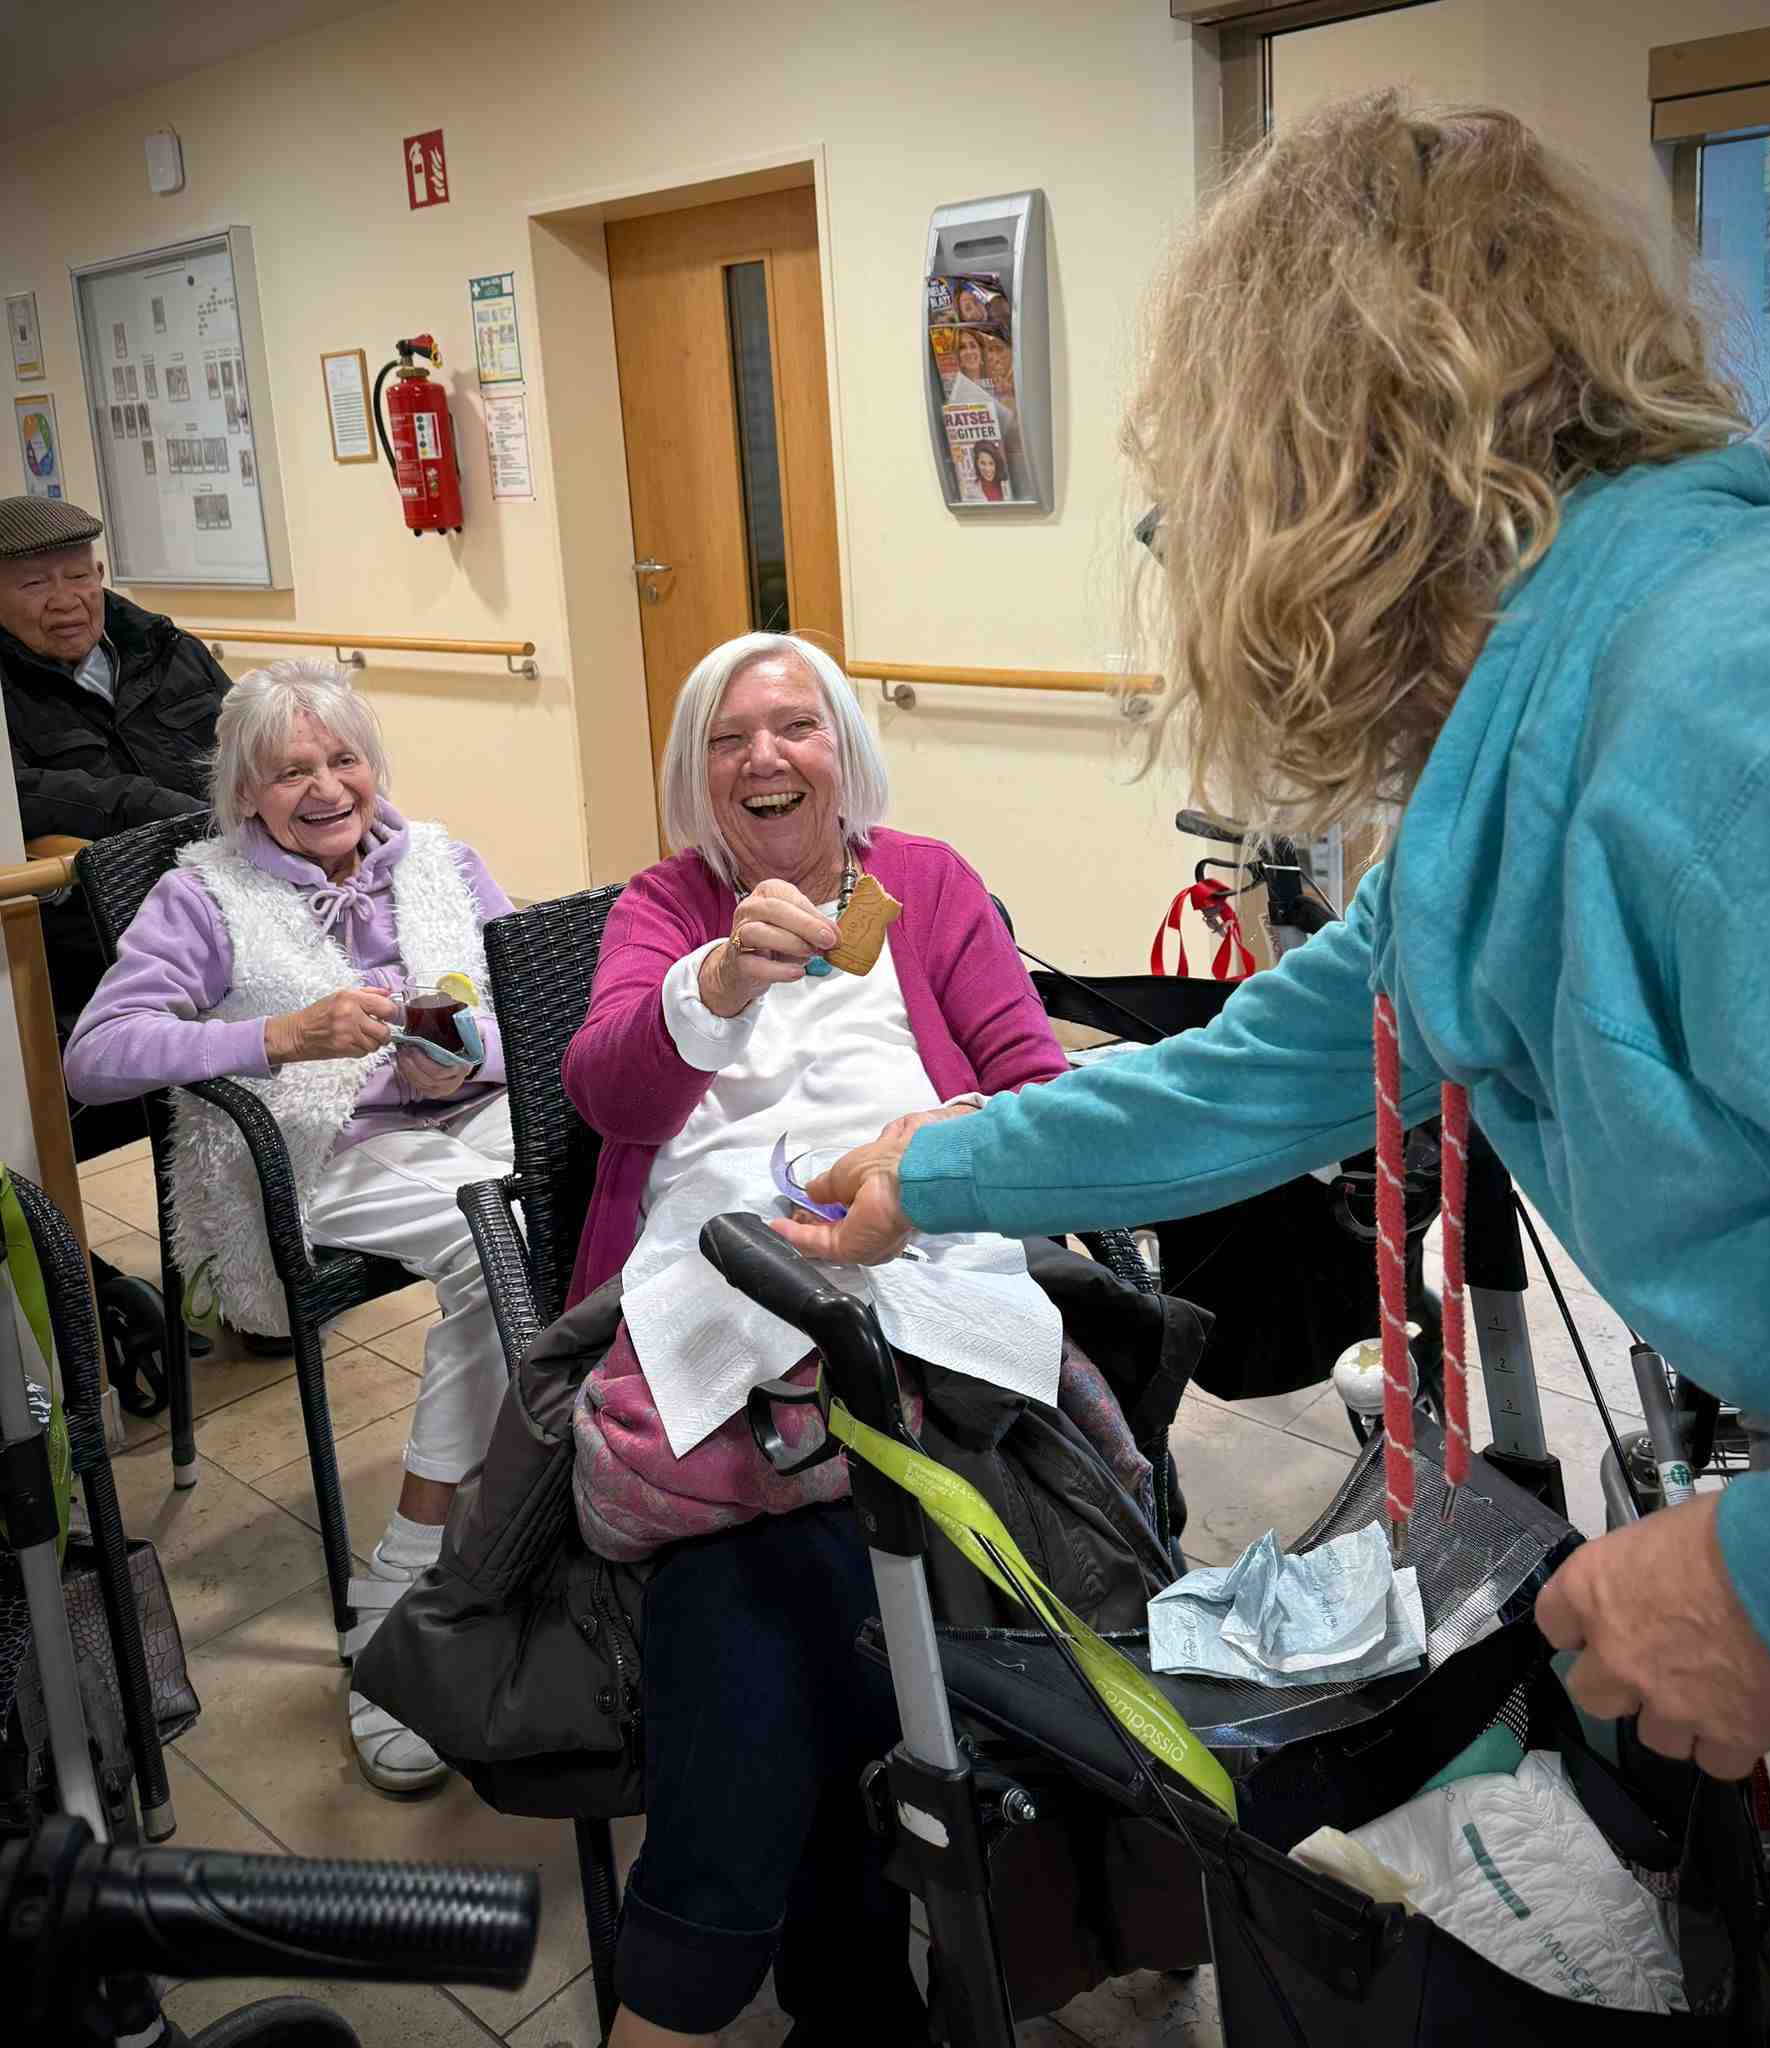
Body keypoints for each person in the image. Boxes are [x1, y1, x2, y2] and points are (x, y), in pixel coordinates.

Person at [782, 94, 1770, 2033]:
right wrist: (938, 1165)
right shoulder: (1536, 746)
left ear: (1310, 467)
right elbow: (1251, 1075)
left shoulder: (1733, 711)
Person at [562, 631, 1155, 2047]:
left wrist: (929, 1145)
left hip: (924, 1242)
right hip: (723, 1268)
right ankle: (853, 1970)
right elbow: (608, 1096)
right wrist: (708, 987)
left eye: (796, 726)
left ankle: (755, 1980)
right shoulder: (666, 905)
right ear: (699, 778)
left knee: (780, 1554)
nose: (765, 757)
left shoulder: (929, 886)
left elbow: (1028, 1081)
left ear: (845, 752)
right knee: (817, 1530)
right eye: (728, 737)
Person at [64, 659, 516, 1800]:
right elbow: (98, 1052)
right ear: (245, 792)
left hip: (467, 1116)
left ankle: (537, 1533)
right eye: (288, 770)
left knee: (598, 1196)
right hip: (328, 1148)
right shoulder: (202, 893)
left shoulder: (442, 858)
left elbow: (527, 1005)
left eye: (342, 758)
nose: (324, 787)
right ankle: (408, 1594)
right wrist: (274, 1036)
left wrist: (462, 1052)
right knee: (495, 1241)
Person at [0, 497, 227, 1031]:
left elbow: (252, 739)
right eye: (34, 585)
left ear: (99, 574)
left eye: (79, 576)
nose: (65, 601)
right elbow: (18, 791)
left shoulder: (166, 647)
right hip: (98, 939)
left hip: (226, 899)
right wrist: (150, 808)